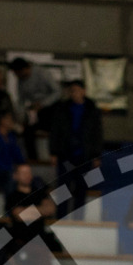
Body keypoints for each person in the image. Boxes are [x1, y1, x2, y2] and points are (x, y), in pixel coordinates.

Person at [48, 78, 103, 215]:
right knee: (63, 187)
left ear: (83, 91)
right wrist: (54, 152)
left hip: (84, 155)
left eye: (77, 90)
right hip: (65, 154)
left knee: (81, 188)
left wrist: (96, 155)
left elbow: (97, 134)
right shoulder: (63, 109)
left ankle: (78, 218)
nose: (75, 93)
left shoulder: (92, 110)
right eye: (72, 91)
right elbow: (55, 131)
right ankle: (60, 216)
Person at [8, 57, 61, 160]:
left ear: (24, 69)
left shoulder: (42, 73)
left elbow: (57, 92)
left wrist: (43, 104)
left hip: (51, 108)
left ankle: (55, 154)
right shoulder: (21, 81)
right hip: (36, 111)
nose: (18, 77)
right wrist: (21, 117)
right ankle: (33, 159)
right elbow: (21, 101)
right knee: (27, 130)